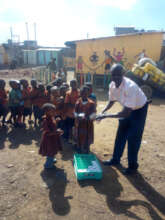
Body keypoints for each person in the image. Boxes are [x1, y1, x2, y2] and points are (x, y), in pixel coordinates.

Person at [96, 64, 149, 175]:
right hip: (127, 108)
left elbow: (125, 113)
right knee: (121, 134)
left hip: (139, 110)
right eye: (113, 75)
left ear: (123, 74)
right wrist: (103, 111)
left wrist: (105, 116)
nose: (115, 77)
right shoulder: (112, 85)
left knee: (133, 138)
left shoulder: (130, 87)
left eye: (118, 75)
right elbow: (111, 101)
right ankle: (115, 159)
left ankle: (132, 167)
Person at [39, 103, 63, 169]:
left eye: (54, 111)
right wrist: (56, 132)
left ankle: (51, 159)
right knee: (50, 151)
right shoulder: (45, 120)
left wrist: (56, 121)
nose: (54, 112)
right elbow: (47, 133)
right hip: (49, 140)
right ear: (46, 112)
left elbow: (52, 125)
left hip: (53, 138)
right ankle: (48, 165)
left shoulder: (51, 117)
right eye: (52, 111)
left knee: (52, 150)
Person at [74, 86, 96, 153]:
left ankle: (87, 148)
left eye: (86, 93)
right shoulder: (78, 102)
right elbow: (75, 111)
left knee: (87, 135)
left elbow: (94, 113)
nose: (84, 94)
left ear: (88, 94)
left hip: (88, 124)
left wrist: (88, 118)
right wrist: (77, 116)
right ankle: (80, 147)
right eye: (82, 93)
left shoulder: (92, 103)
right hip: (80, 123)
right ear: (80, 93)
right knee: (80, 135)